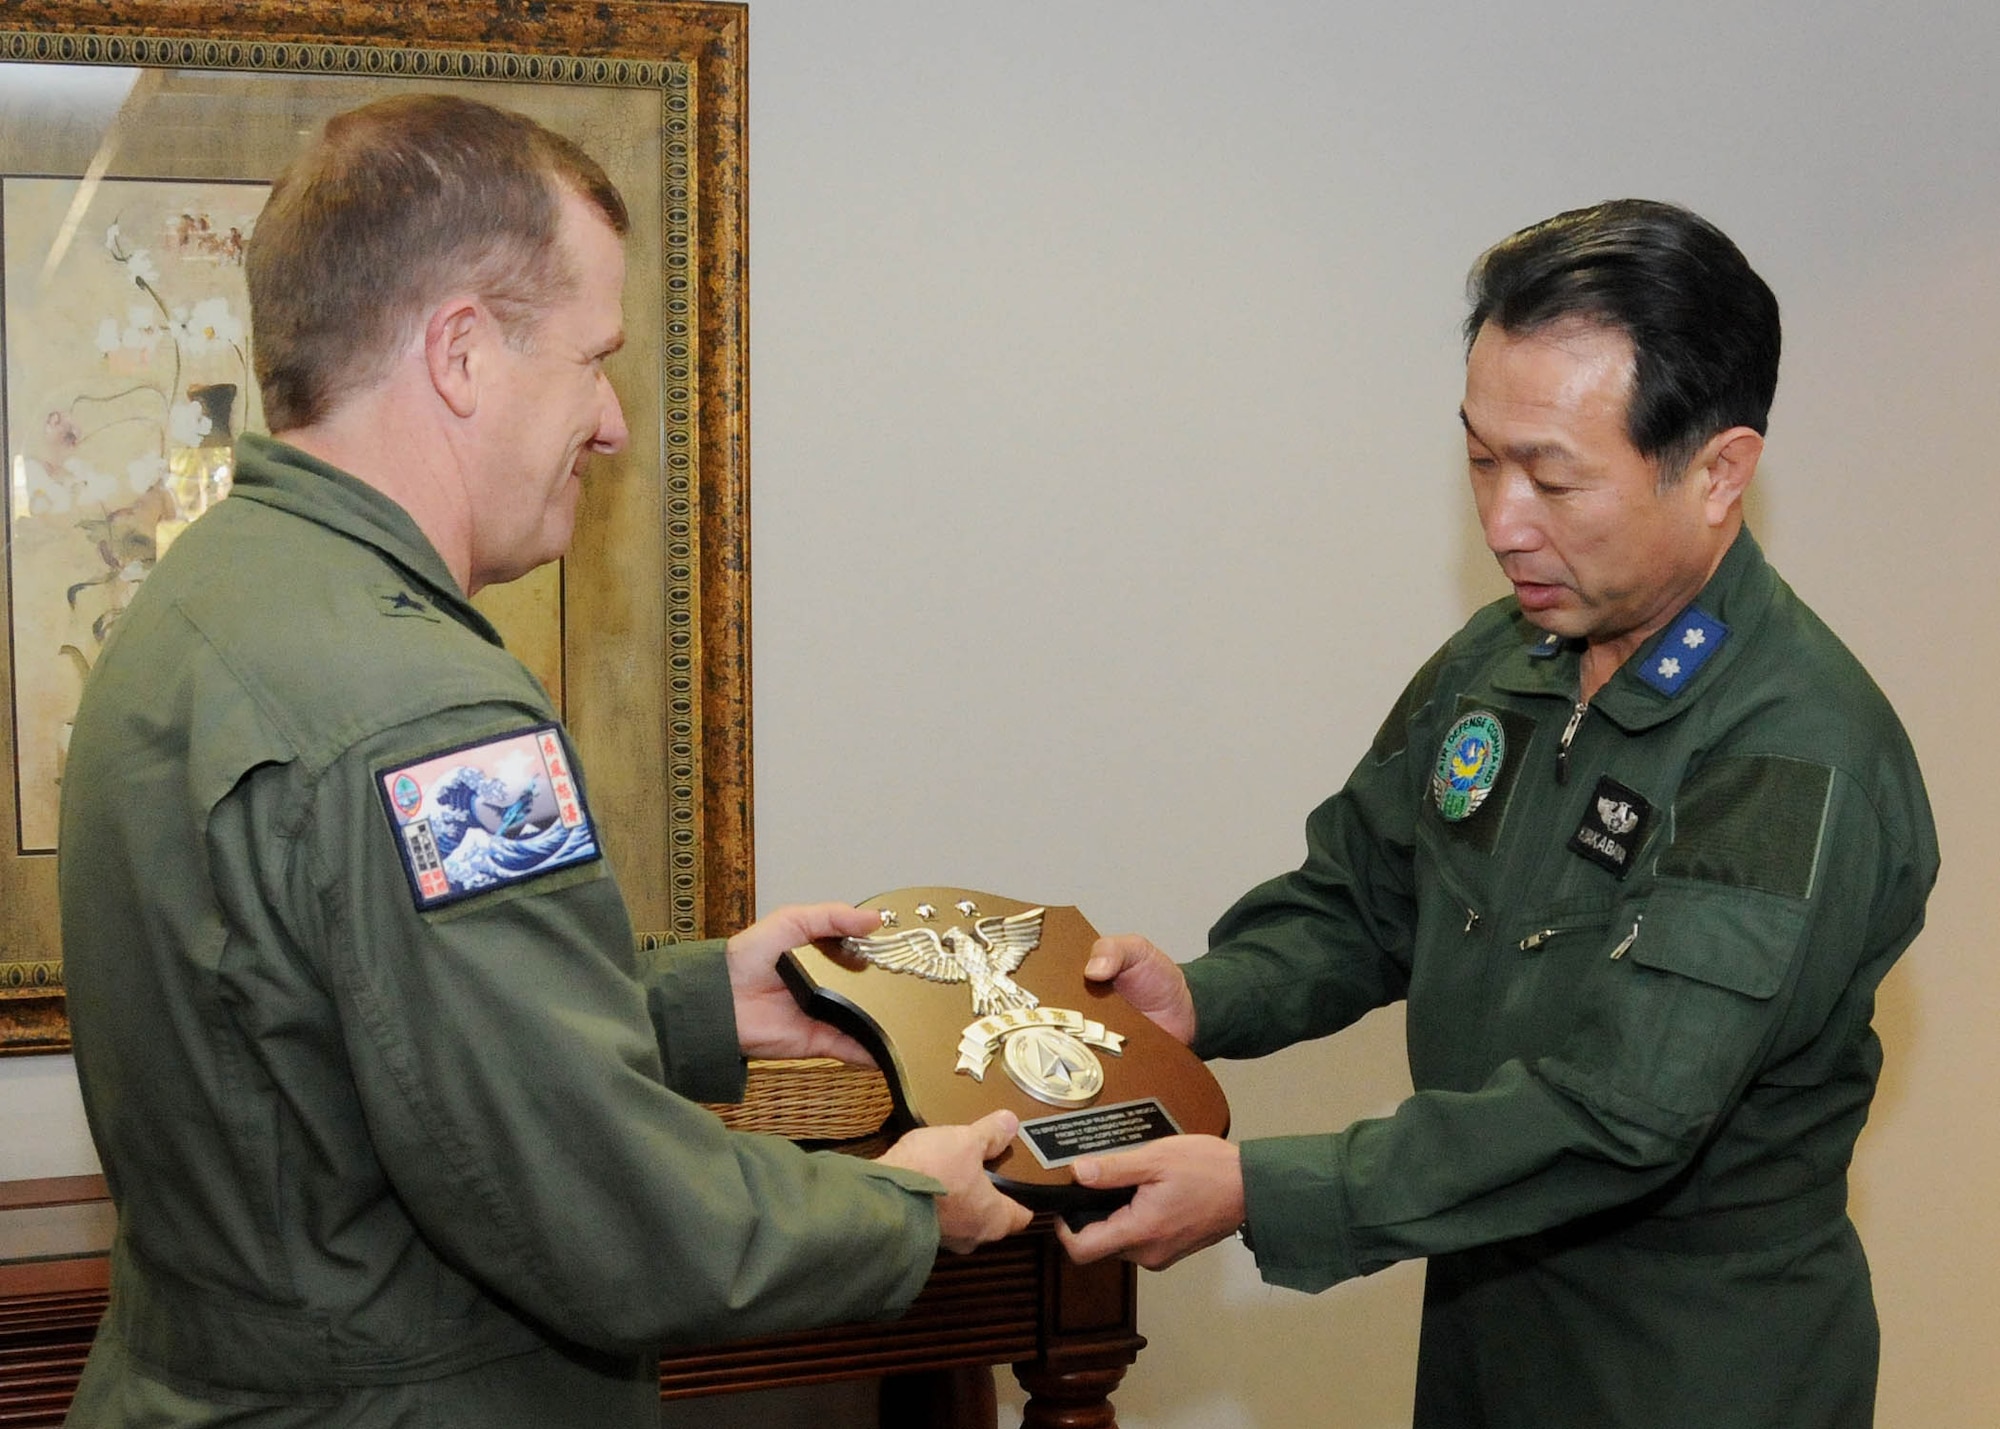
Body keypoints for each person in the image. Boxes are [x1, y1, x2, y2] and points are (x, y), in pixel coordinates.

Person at [57, 94, 1030, 1427]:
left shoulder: (200, 604)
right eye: (592, 358)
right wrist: (907, 1202)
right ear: (461, 353)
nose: (615, 422)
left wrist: (699, 1002)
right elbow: (604, 1212)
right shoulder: (432, 712)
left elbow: (353, 1040)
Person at [1061, 199, 1938, 1428]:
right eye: (1481, 458)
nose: (1502, 522)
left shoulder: (1788, 749)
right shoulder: (1509, 656)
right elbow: (1363, 901)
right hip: (1485, 1326)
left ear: (1717, 471)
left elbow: (1616, 1115)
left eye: (1553, 476)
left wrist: (1259, 1189)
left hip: (1686, 1368)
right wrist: (1202, 998)